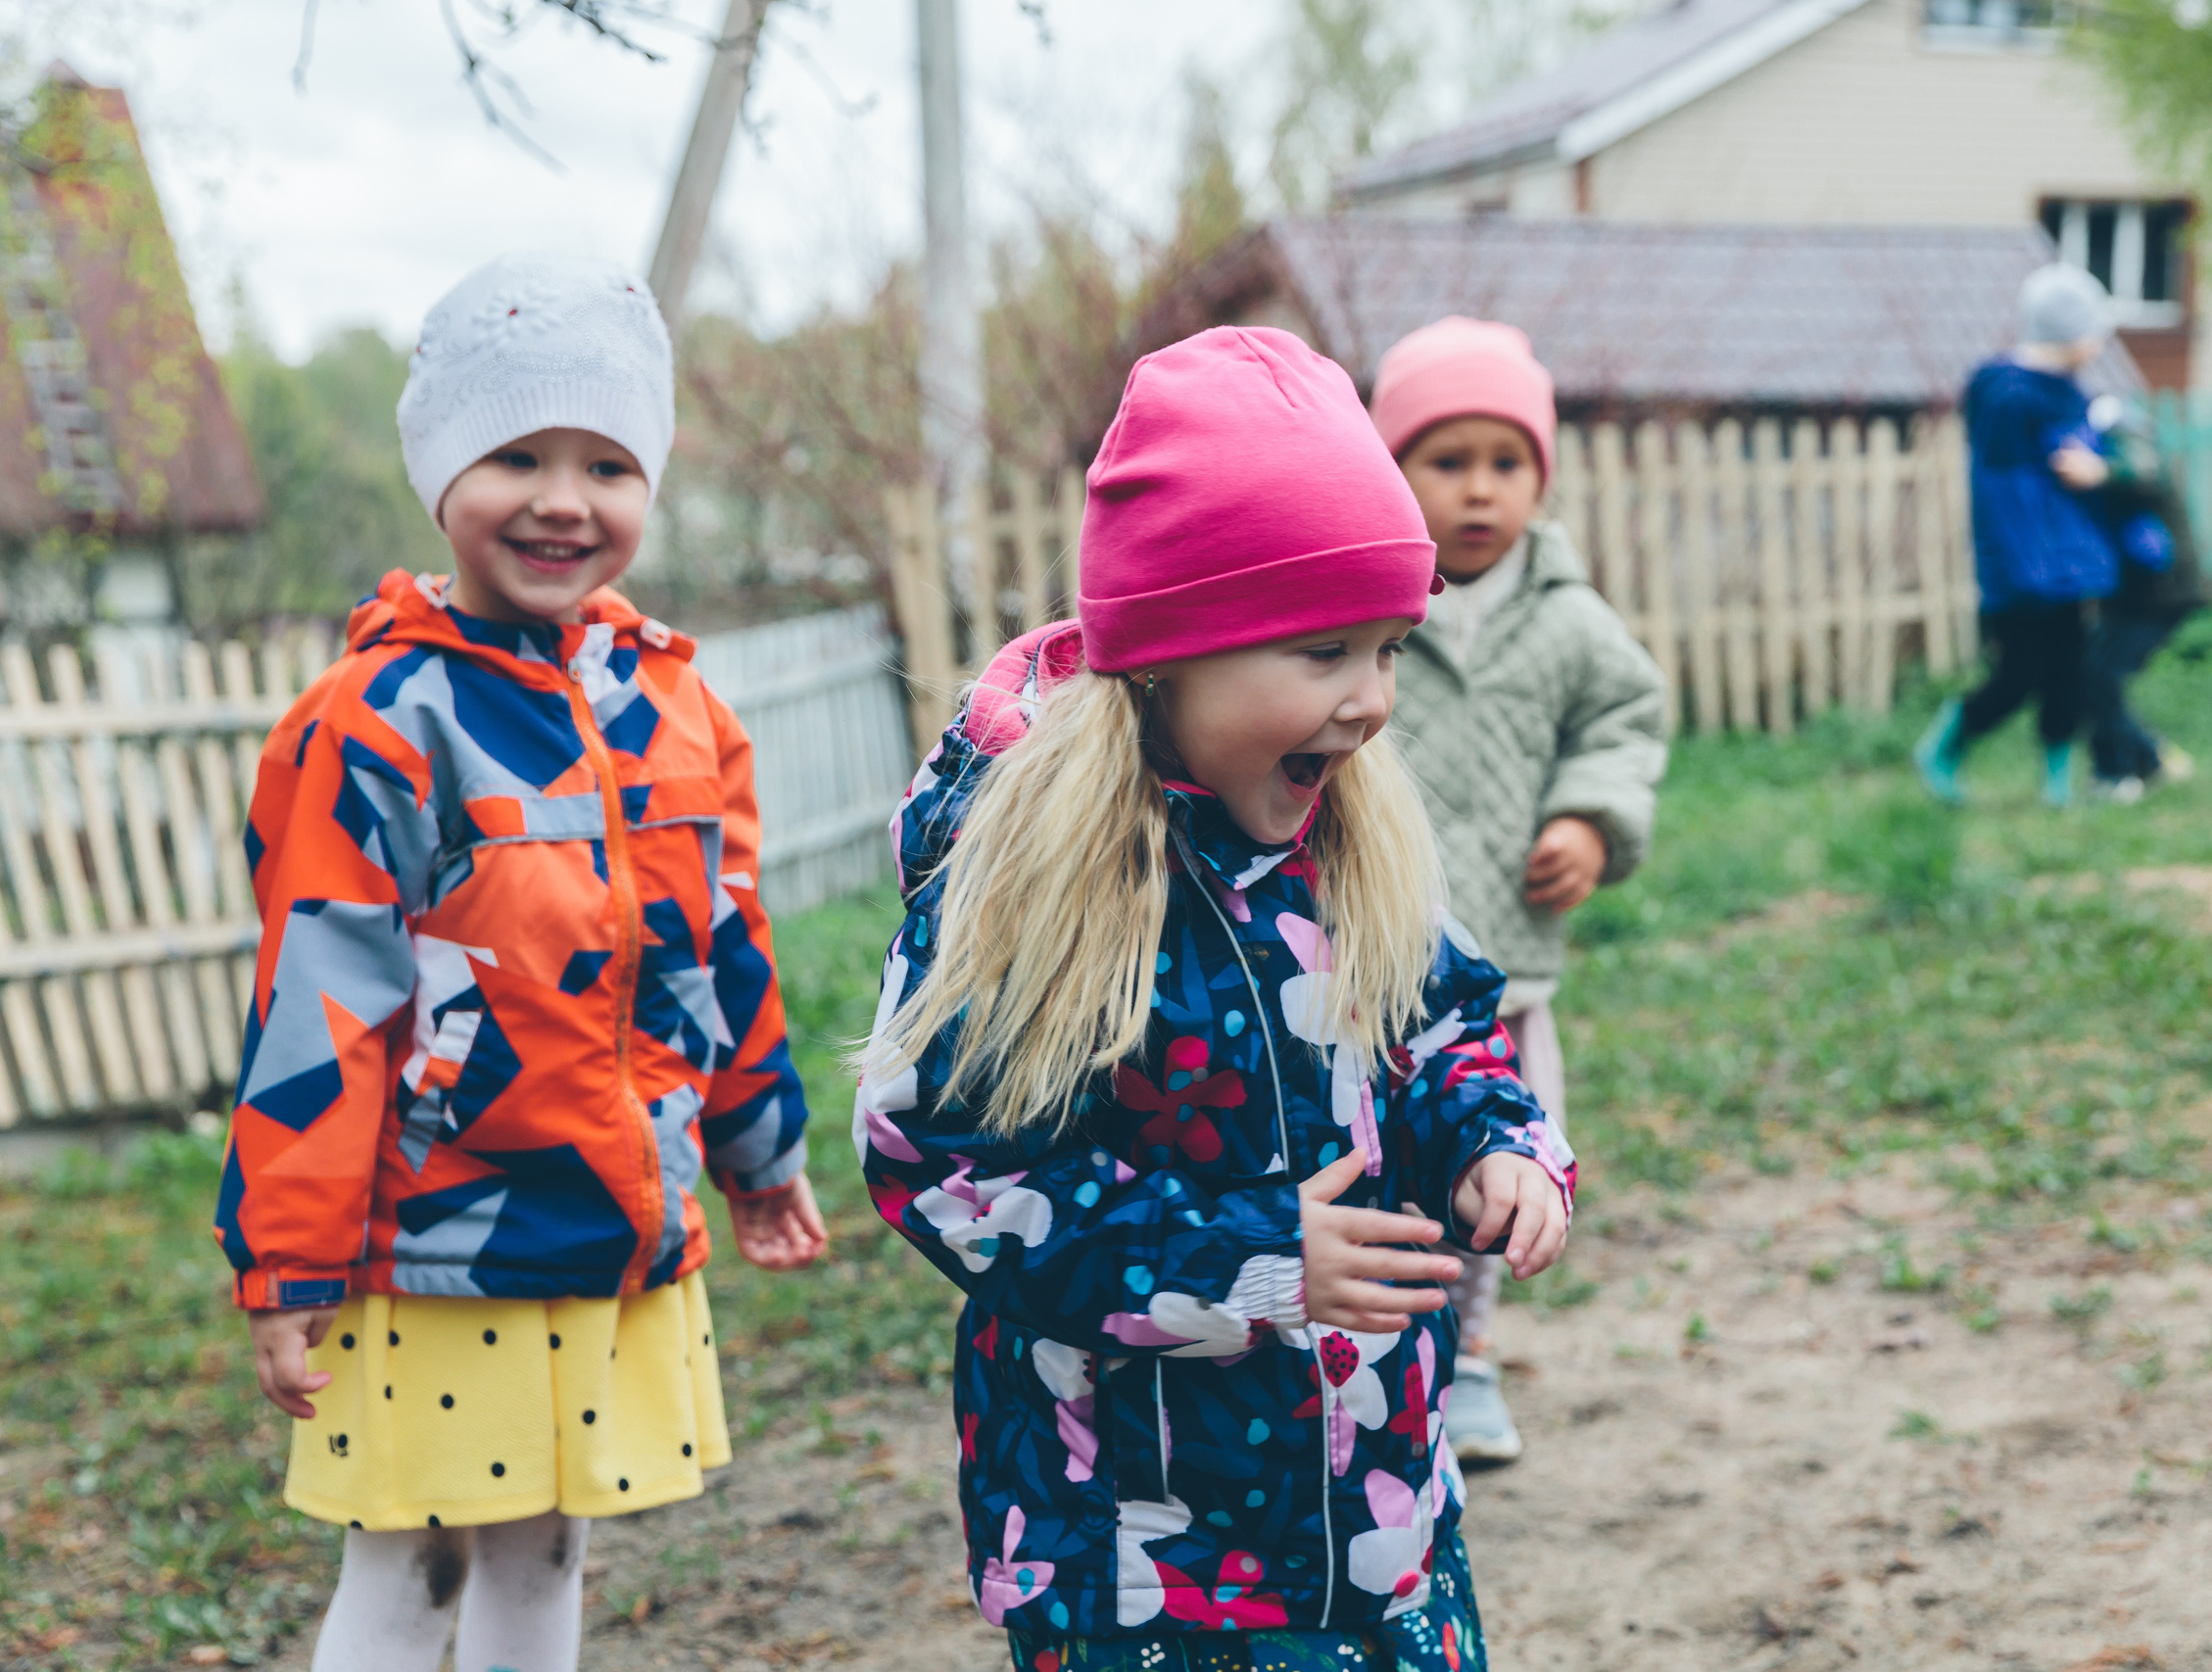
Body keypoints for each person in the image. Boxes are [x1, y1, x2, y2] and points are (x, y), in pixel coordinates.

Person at [855, 326, 1577, 1671]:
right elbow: (940, 1161)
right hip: (1133, 1556)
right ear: (1174, 650)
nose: (1370, 702)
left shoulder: (1352, 841)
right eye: (1322, 652)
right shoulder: (1038, 883)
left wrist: (1494, 1143)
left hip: (1376, 1524)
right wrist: (1245, 1256)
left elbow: (1445, 1037)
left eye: (1390, 647)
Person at [214, 254, 828, 1672]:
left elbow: (722, 948)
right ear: (440, 470)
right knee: (408, 1558)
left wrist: (758, 1140)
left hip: (612, 1219)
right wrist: (292, 1254)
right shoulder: (374, 718)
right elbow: (321, 995)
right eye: (517, 454)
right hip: (434, 1233)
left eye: (608, 461)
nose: (564, 496)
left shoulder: (680, 709)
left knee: (551, 1542)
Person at [1370, 317, 1665, 1466]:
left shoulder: (1570, 618)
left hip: (1508, 971)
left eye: (1507, 463)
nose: (1480, 491)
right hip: (1368, 955)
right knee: (1381, 1156)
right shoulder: (1373, 602)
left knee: (1502, 1158)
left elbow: (1623, 721)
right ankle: (1391, 1352)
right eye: (1446, 463)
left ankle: (1473, 1356)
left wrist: (1590, 819)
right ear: (1389, 471)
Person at [1915, 263, 2124, 809]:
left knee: (2069, 676)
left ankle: (2057, 785)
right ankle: (1945, 744)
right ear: (2071, 334)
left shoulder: (2069, 394)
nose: (2101, 344)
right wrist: (2032, 568)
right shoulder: (2008, 395)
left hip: (2067, 569)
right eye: (2096, 332)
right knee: (2018, 677)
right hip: (2022, 575)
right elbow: (2005, 495)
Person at [2081, 396, 2211, 800]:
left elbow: (2142, 471)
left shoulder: (2133, 447)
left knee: (2101, 676)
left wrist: (2101, 470)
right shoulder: (2108, 450)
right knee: (2093, 676)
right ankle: (2146, 761)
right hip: (2132, 595)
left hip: (2164, 594)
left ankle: (2123, 773)